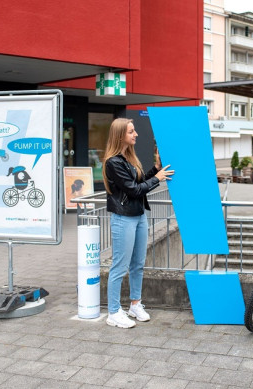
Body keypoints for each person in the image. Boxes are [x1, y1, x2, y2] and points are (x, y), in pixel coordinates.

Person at [103, 118, 174, 328]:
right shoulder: (113, 162)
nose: (136, 134)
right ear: (120, 136)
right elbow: (134, 191)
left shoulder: (128, 158)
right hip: (123, 218)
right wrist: (158, 178)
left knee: (138, 265)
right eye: (131, 131)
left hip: (139, 216)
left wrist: (155, 169)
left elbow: (139, 183)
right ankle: (113, 312)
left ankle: (135, 304)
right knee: (119, 266)